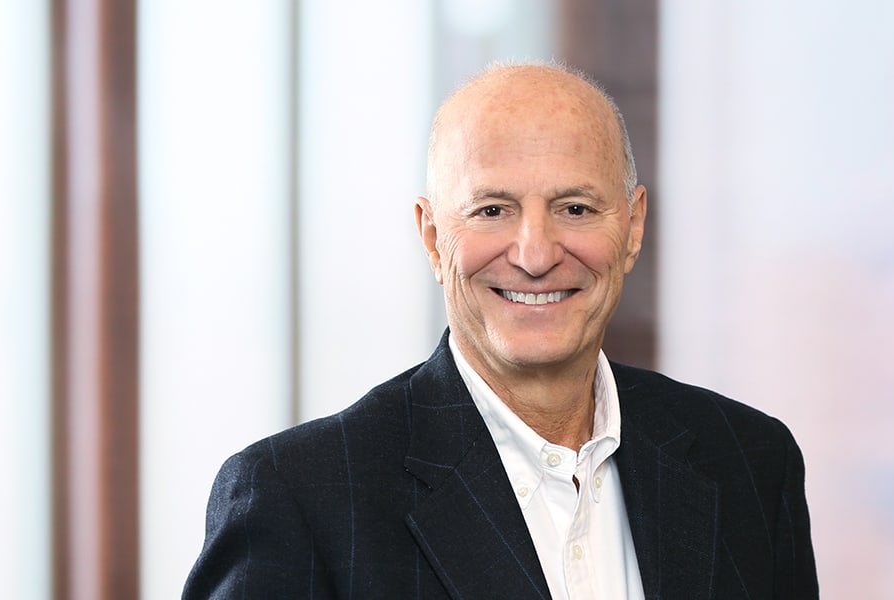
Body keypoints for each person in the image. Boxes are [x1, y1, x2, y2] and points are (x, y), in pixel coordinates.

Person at [183, 62, 818, 599]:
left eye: (575, 208)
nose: (535, 255)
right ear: (432, 237)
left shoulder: (751, 463)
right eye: (492, 210)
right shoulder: (297, 499)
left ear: (632, 227)